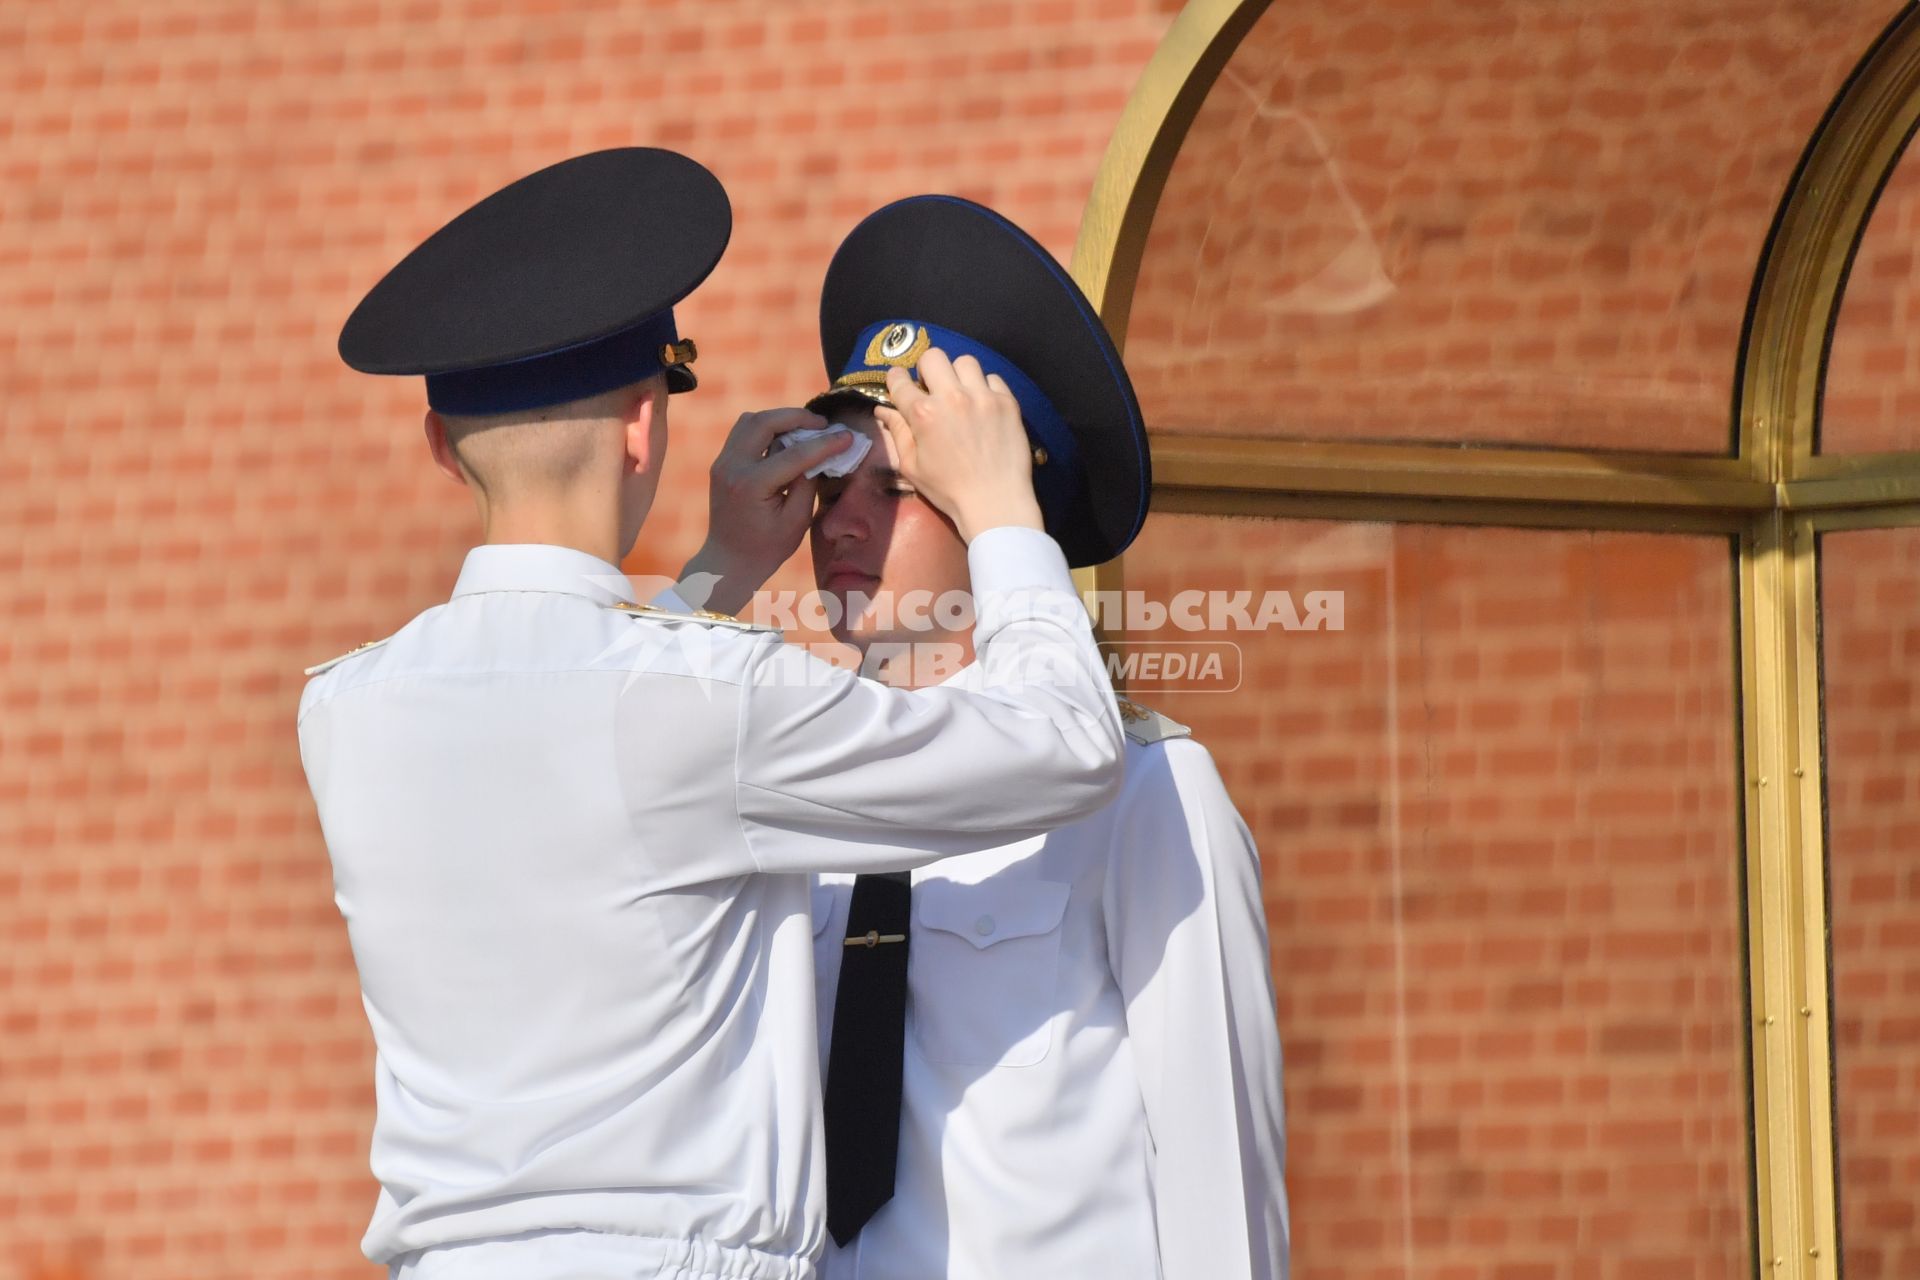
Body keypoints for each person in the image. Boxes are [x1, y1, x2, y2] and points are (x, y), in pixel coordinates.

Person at [299, 149, 1126, 1280]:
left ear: (443, 446)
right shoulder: (715, 697)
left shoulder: (347, 710)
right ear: (647, 424)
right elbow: (1069, 745)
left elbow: (598, 747)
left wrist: (719, 571)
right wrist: (1000, 514)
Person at [797, 196, 1289, 1279]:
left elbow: (1221, 1178)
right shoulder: (795, 782)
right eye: (828, 482)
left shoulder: (1148, 789)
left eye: (894, 487)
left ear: (996, 506)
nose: (840, 519)